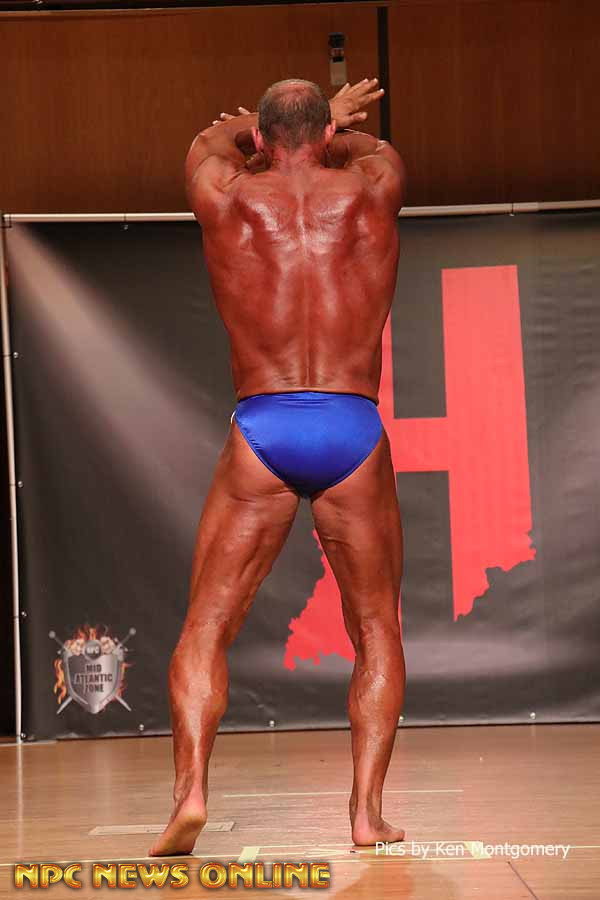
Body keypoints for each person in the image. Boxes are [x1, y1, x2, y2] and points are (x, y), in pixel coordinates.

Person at [150, 77, 406, 857]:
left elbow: (208, 142)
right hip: (351, 426)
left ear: (260, 140)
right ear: (327, 134)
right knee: (376, 629)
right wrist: (337, 123)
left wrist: (256, 132)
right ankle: (366, 815)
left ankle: (190, 793)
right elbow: (371, 148)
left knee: (206, 627)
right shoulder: (375, 185)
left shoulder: (225, 194)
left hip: (264, 426)